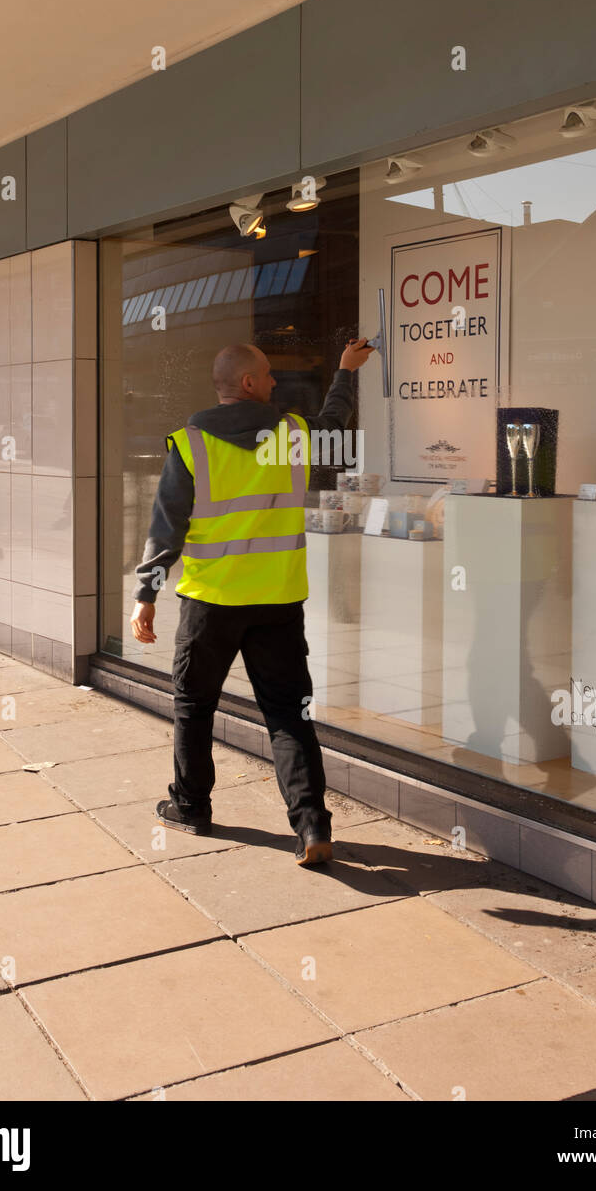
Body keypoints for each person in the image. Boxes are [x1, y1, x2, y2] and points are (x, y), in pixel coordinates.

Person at [130, 338, 373, 865]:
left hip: (210, 605)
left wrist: (146, 593)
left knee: (194, 708)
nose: (274, 382)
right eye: (266, 374)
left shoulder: (190, 444)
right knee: (289, 714)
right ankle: (311, 827)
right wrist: (345, 372)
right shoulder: (290, 436)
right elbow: (335, 421)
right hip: (277, 601)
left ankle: (191, 806)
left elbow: (166, 525)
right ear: (247, 383)